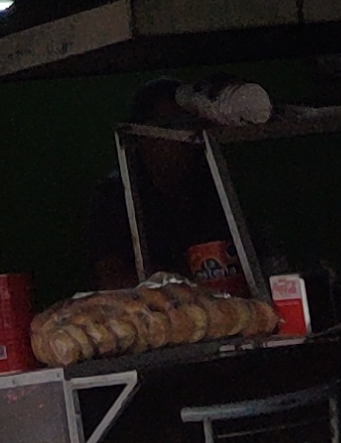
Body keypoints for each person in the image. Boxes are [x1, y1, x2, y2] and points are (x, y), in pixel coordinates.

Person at [83, 79, 239, 291]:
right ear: (143, 136)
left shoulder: (206, 184)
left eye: (187, 125)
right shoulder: (115, 195)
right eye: (169, 127)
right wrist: (179, 286)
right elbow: (111, 278)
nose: (180, 139)